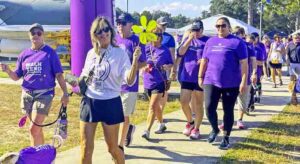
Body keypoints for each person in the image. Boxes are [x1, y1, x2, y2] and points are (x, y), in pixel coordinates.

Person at [77, 17, 140, 164]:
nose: (103, 33)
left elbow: (129, 80)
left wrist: (135, 61)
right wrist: (76, 82)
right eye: (99, 31)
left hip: (110, 102)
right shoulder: (91, 53)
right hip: (90, 102)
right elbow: (84, 76)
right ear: (94, 34)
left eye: (106, 29)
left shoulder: (120, 53)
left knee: (112, 148)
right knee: (85, 148)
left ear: (111, 32)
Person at [0, 23, 69, 146]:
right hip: (27, 95)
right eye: (33, 33)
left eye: (39, 33)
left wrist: (65, 93)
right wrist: (8, 70)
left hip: (44, 95)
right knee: (36, 129)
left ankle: (34, 157)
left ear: (43, 35)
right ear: (29, 36)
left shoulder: (50, 53)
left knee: (33, 129)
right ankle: (41, 155)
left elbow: (59, 75)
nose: (35, 35)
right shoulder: (24, 54)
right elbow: (16, 77)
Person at [198, 17, 248, 150]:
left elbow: (244, 63)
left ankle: (226, 137)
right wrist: (200, 76)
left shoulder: (237, 43)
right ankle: (215, 129)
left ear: (229, 27)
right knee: (208, 108)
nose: (220, 28)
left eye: (223, 26)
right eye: (218, 26)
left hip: (231, 83)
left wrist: (243, 81)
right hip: (211, 80)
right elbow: (204, 60)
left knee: (228, 110)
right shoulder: (210, 41)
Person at [115, 13, 146, 149]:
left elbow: (144, 62)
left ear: (131, 25)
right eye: (118, 23)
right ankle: (128, 130)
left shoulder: (137, 41)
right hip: (114, 84)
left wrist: (131, 68)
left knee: (124, 116)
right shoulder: (114, 40)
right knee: (115, 116)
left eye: (123, 23)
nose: (120, 25)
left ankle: (120, 146)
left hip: (129, 85)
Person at [220, 27, 256, 130]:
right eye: (234, 33)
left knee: (242, 101)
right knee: (228, 101)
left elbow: (253, 60)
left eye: (238, 33)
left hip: (244, 78)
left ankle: (239, 120)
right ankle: (226, 120)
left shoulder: (248, 46)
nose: (235, 35)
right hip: (230, 79)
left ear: (243, 34)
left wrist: (254, 73)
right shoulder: (228, 44)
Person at [177, 20, 209, 139]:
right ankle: (190, 122)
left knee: (199, 103)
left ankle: (196, 128)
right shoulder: (188, 39)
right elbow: (180, 52)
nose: (195, 32)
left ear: (202, 30)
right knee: (183, 101)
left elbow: (212, 56)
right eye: (193, 30)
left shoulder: (207, 41)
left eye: (197, 30)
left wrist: (205, 61)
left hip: (200, 76)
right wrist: (189, 39)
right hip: (187, 74)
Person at [141, 27, 174, 140]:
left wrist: (166, 67)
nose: (155, 38)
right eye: (153, 35)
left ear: (161, 37)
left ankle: (147, 131)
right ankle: (162, 124)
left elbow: (171, 63)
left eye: (158, 36)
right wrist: (143, 67)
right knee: (155, 107)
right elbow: (141, 62)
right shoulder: (146, 48)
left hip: (159, 81)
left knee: (152, 106)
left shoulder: (165, 50)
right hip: (147, 81)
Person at [156, 17, 176, 113]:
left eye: (165, 25)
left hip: (165, 69)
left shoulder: (169, 38)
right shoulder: (151, 36)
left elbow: (172, 55)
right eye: (162, 24)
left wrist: (173, 70)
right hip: (153, 69)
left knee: (164, 91)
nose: (164, 27)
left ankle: (160, 112)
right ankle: (156, 111)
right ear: (157, 24)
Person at [286, 33, 300, 105]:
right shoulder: (289, 45)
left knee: (298, 79)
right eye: (295, 38)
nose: (297, 39)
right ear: (293, 38)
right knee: (292, 79)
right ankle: (293, 96)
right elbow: (287, 54)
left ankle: (297, 93)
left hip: (299, 64)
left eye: (298, 38)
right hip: (292, 63)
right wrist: (287, 61)